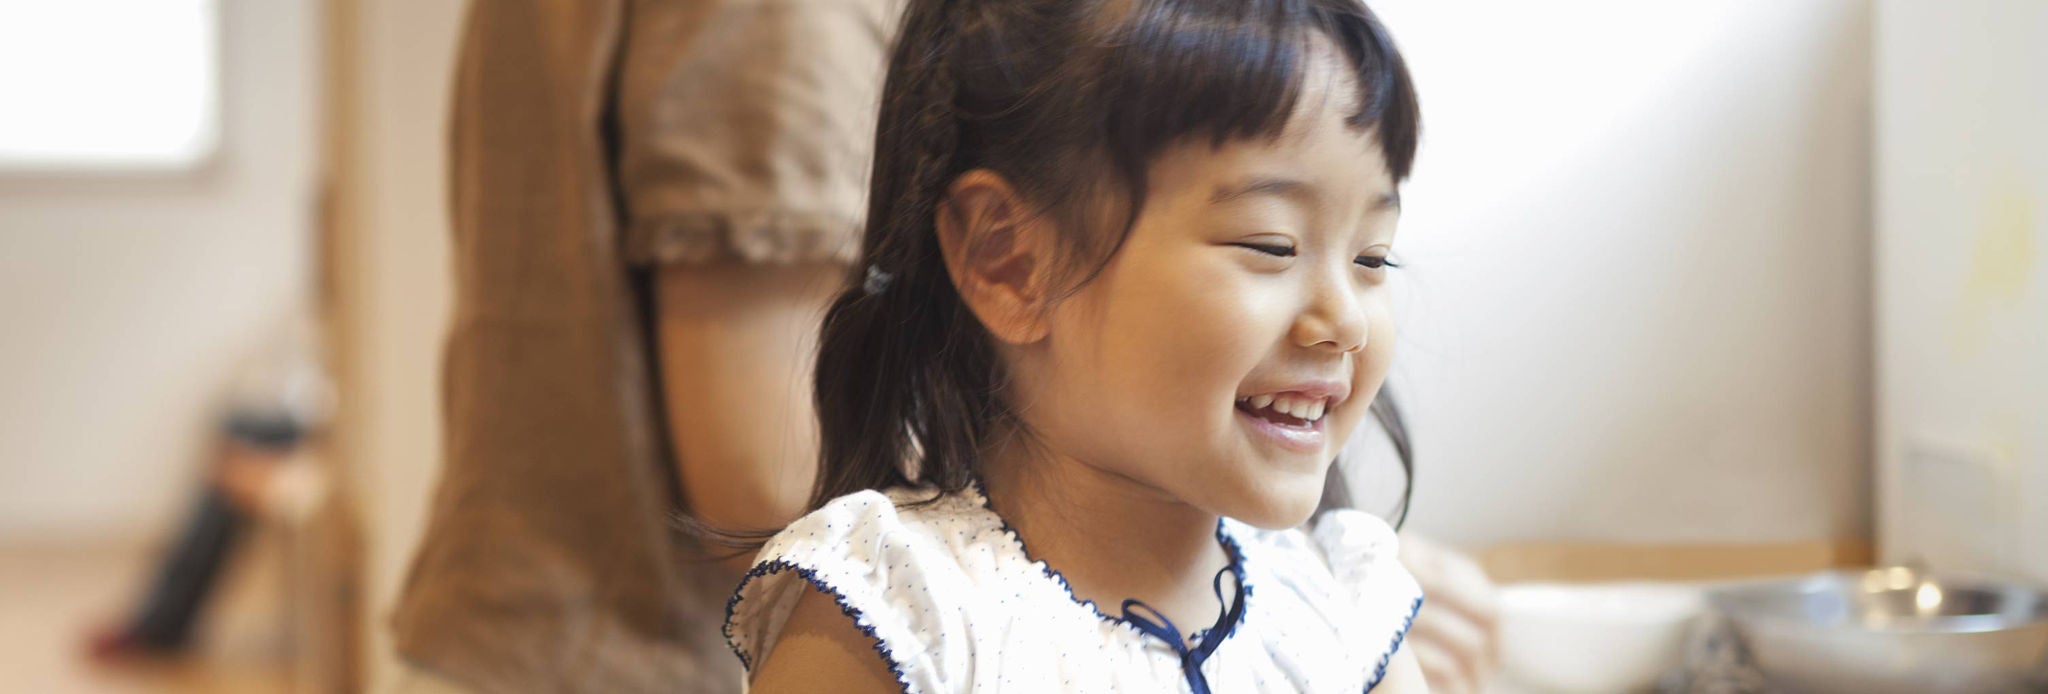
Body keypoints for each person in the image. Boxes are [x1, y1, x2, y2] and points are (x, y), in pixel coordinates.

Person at [723, 1, 1441, 691]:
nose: (1345, 321)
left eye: (1372, 258)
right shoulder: (900, 612)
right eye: (1270, 244)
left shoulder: (1345, 611)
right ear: (1011, 262)